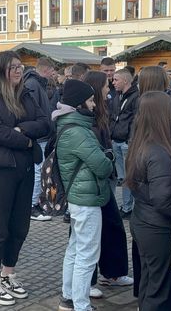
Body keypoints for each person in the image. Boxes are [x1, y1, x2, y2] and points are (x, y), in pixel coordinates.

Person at [0, 51, 50, 306]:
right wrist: (26, 140)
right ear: (0, 70)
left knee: (19, 226)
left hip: (24, 168)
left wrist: (22, 129)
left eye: (20, 66)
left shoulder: (26, 94)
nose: (18, 71)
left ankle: (8, 272)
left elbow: (45, 123)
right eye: (12, 67)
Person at [53, 79, 113, 311]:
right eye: (90, 100)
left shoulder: (69, 126)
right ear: (80, 104)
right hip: (86, 199)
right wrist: (108, 158)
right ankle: (81, 305)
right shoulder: (78, 131)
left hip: (79, 198)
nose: (94, 104)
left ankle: (69, 297)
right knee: (87, 255)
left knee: (75, 250)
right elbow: (102, 166)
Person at [126, 91, 171, 310]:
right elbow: (163, 199)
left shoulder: (140, 144)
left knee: (149, 283)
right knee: (160, 289)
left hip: (144, 221)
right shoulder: (158, 152)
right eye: (170, 112)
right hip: (157, 227)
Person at [82, 71, 133, 290]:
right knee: (86, 234)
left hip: (104, 180)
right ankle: (86, 281)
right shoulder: (86, 116)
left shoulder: (102, 110)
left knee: (112, 226)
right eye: (105, 85)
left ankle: (113, 272)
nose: (109, 88)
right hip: (88, 184)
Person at [24, 58, 55, 222]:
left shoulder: (36, 83)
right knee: (38, 171)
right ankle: (31, 205)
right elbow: (32, 110)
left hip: (41, 134)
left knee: (40, 170)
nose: (53, 74)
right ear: (46, 69)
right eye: (52, 71)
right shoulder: (32, 84)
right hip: (38, 135)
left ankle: (34, 202)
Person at [110, 68, 139, 218]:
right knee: (121, 177)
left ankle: (128, 207)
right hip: (116, 141)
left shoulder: (136, 97)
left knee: (128, 177)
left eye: (116, 79)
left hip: (126, 143)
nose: (113, 82)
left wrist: (130, 139)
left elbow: (135, 120)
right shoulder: (117, 96)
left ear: (126, 81)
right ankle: (125, 205)